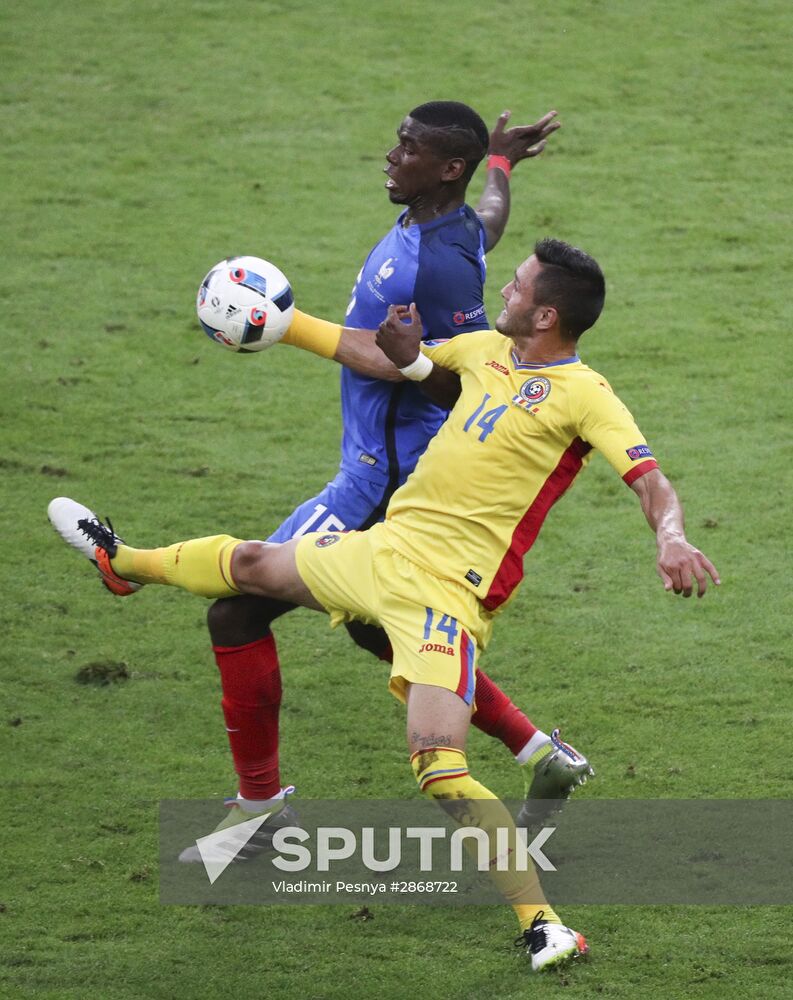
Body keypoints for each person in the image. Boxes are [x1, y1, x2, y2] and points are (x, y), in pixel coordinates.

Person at [49, 237, 720, 971]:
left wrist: (672, 537)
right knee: (247, 566)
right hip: (381, 552)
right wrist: (304, 326)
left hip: (445, 593)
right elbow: (397, 359)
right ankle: (122, 563)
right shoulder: (483, 350)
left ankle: (544, 925)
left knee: (437, 765)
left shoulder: (586, 394)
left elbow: (649, 478)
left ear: (546, 314)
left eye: (518, 287)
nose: (504, 291)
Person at [193, 101, 593, 842]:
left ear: (443, 168)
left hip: (381, 483)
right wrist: (498, 162)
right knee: (378, 630)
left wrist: (289, 329)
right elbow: (490, 218)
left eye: (407, 148)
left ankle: (257, 810)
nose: (389, 155)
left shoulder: (432, 261)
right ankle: (541, 749)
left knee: (237, 606)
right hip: (386, 469)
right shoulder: (446, 228)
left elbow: (453, 382)